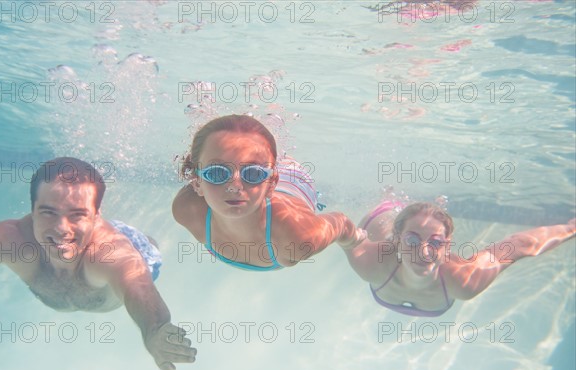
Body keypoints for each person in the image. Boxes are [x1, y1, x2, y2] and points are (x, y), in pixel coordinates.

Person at [0, 157, 196, 370]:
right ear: (32, 210)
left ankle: (138, 237)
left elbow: (138, 286)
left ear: (96, 216)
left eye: (77, 214)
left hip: (139, 254)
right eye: (48, 212)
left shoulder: (110, 253)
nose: (62, 228)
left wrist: (154, 329)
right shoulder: (15, 239)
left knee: (145, 246)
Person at [172, 114, 365, 271]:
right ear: (197, 183)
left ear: (272, 183)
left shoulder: (296, 238)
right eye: (216, 173)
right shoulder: (187, 210)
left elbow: (339, 223)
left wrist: (353, 240)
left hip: (295, 182)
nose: (235, 186)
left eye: (252, 173)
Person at [343, 201, 575, 317]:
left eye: (435, 242)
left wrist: (570, 228)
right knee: (383, 216)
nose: (424, 252)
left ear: (448, 246)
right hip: (383, 225)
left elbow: (518, 245)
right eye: (413, 240)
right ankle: (390, 201)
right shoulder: (371, 262)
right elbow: (337, 228)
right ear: (398, 239)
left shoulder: (464, 280)